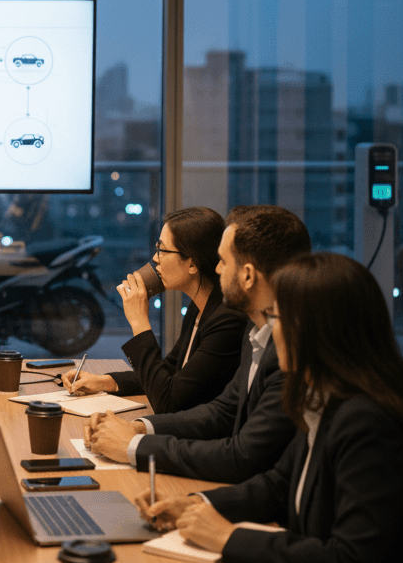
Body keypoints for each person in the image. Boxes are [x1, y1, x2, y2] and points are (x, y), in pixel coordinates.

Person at [137, 253, 403, 563]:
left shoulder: (368, 422)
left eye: (276, 318)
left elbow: (352, 562)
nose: (271, 332)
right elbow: (279, 484)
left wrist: (228, 537)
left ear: (317, 330)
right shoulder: (324, 397)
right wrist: (195, 504)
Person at [85, 204, 309, 483]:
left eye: (223, 261)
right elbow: (222, 410)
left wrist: (134, 445)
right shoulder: (256, 331)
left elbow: (240, 453)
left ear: (248, 275)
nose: (215, 269)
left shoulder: (276, 346)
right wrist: (138, 428)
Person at [63, 207, 247, 413]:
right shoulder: (198, 307)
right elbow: (168, 372)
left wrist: (139, 322)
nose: (155, 258)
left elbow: (168, 401)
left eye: (162, 250)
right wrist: (105, 382)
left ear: (193, 264)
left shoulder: (227, 320)